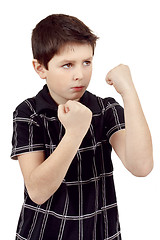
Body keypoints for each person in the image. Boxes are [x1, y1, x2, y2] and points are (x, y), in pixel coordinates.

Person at [11, 14, 153, 240]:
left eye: (87, 62)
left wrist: (129, 92)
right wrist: (75, 133)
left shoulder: (105, 109)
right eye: (67, 65)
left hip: (100, 232)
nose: (80, 75)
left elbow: (142, 166)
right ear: (40, 68)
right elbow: (37, 191)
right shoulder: (29, 112)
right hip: (43, 233)